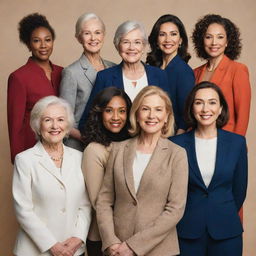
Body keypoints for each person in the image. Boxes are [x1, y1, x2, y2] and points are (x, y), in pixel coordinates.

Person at [96, 86, 188, 256]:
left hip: (159, 249)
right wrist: (110, 241)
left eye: (158, 110)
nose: (152, 116)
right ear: (136, 115)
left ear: (167, 116)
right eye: (145, 109)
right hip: (117, 248)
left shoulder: (177, 154)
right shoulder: (118, 149)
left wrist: (133, 246)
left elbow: (175, 209)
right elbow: (104, 201)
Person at [170, 82, 248, 256]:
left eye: (212, 102)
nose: (206, 109)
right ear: (192, 108)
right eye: (199, 102)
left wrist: (220, 210)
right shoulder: (176, 144)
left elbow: (239, 189)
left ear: (221, 108)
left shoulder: (237, 143)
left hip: (226, 231)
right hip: (187, 231)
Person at [12, 96, 91, 256]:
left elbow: (85, 205)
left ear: (67, 125)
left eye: (61, 120)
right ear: (37, 125)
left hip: (74, 250)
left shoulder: (80, 157)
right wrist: (52, 245)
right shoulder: (24, 160)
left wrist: (78, 237)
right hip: (35, 251)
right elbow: (23, 210)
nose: (55, 126)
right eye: (48, 120)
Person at [79, 20, 169, 130]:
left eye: (137, 42)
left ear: (144, 46)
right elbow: (88, 120)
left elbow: (169, 115)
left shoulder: (159, 75)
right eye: (126, 42)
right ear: (118, 46)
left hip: (152, 143)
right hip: (115, 144)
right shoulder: (104, 77)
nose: (131, 47)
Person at [82, 87, 132, 256]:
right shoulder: (94, 150)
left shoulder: (133, 144)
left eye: (122, 111)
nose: (116, 117)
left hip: (131, 236)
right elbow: (99, 203)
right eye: (109, 111)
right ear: (99, 113)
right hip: (104, 239)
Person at [7, 13, 63, 163]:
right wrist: (18, 159)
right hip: (32, 149)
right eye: (37, 41)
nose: (43, 45)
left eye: (48, 40)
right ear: (28, 44)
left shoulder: (63, 72)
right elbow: (15, 124)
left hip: (60, 148)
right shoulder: (19, 77)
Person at [60, 13, 115, 151]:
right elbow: (63, 119)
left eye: (97, 32)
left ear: (103, 35)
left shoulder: (114, 67)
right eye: (87, 33)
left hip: (112, 144)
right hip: (79, 146)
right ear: (79, 38)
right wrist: (91, 140)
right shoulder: (71, 72)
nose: (93, 38)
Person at [192, 14, 251, 136]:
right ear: (202, 40)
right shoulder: (195, 72)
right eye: (208, 37)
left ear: (227, 42)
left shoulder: (238, 70)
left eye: (220, 37)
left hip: (227, 139)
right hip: (198, 138)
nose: (214, 42)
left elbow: (242, 115)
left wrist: (237, 144)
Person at [147, 14, 195, 134]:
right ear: (156, 41)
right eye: (162, 34)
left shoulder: (184, 72)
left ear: (180, 40)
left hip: (171, 136)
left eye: (173, 34)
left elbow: (186, 116)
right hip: (148, 131)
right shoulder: (150, 69)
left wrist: (175, 143)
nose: (168, 39)